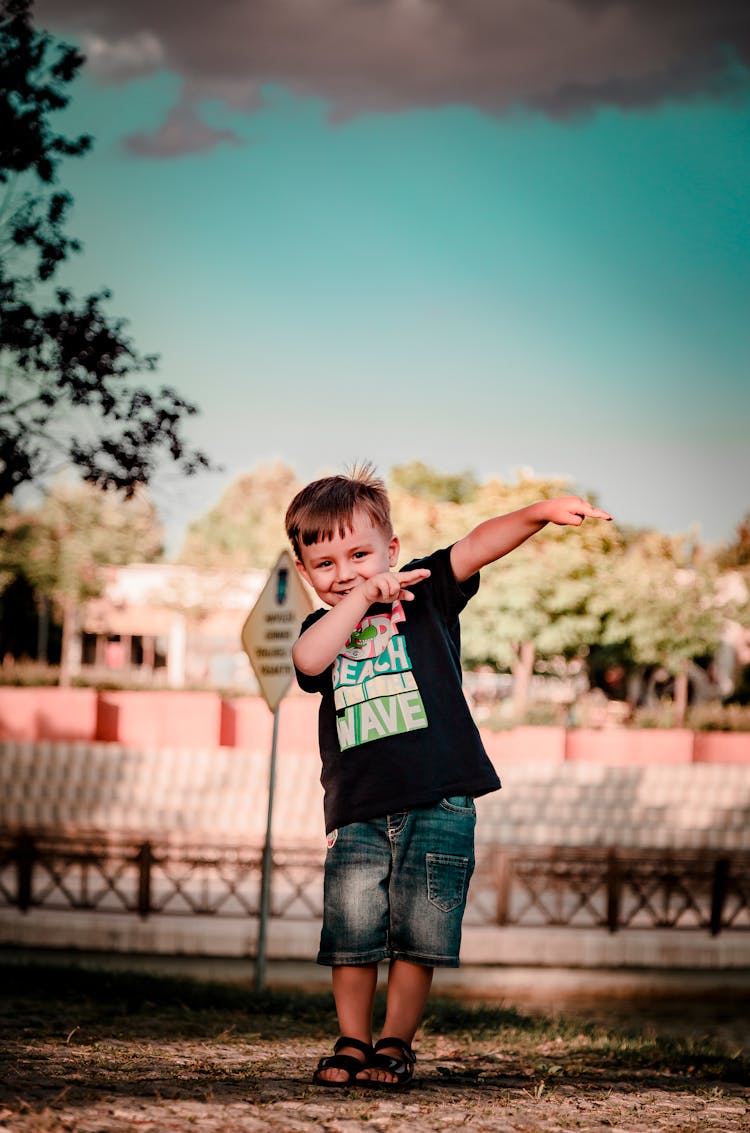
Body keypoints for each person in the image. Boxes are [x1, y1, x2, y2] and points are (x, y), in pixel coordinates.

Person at [285, 465, 611, 1089]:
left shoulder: (425, 592)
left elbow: (479, 541)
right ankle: (351, 1040)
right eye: (325, 565)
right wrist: (357, 598)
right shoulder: (320, 628)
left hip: (441, 798)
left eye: (360, 555)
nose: (346, 572)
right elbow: (308, 661)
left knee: (420, 932)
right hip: (357, 807)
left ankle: (394, 1044)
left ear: (392, 551)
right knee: (353, 933)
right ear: (306, 574)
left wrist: (538, 512)